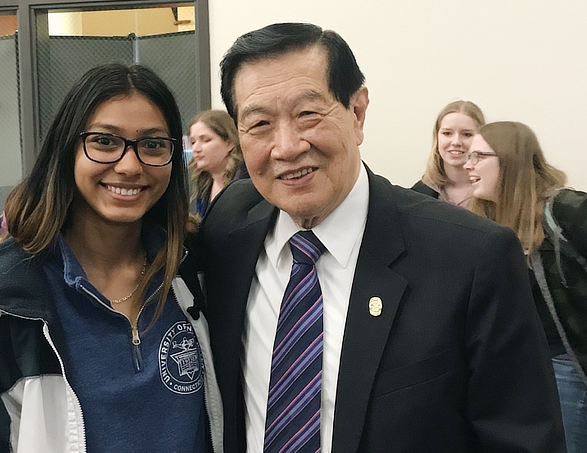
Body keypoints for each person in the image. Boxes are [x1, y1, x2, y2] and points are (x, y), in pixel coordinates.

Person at [200, 22, 565, 453]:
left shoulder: (471, 258)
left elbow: (524, 440)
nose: (286, 146)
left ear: (357, 112)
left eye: (308, 114)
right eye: (259, 123)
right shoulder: (228, 229)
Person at [0, 63, 223, 453]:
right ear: (67, 150)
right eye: (104, 141)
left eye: (152, 144)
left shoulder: (191, 268)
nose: (130, 166)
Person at [464, 121, 587, 453]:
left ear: (510, 160)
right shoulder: (490, 220)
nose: (467, 165)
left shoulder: (568, 209)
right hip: (521, 368)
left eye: (479, 156)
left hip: (570, 367)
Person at [411, 100, 485, 207]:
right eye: (447, 133)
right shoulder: (418, 194)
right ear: (437, 137)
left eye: (467, 134)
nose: (456, 142)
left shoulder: (496, 195)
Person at [189, 109, 247, 217]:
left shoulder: (245, 180)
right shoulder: (203, 183)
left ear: (230, 143)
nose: (196, 148)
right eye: (193, 142)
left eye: (206, 140)